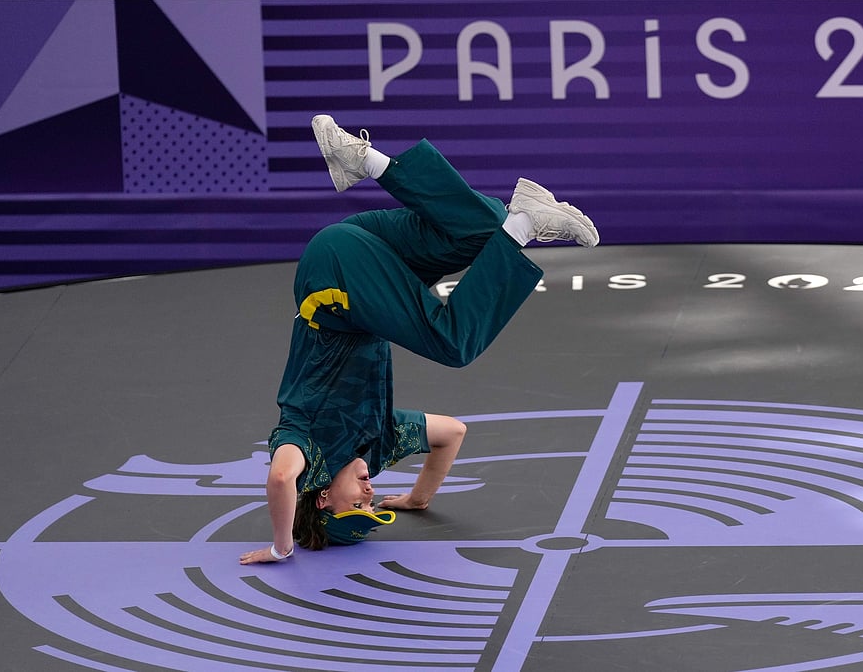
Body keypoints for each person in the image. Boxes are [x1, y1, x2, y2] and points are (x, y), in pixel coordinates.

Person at [239, 115, 598, 564]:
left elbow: (279, 480)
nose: (370, 493)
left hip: (333, 285)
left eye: (357, 503)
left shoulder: (306, 449)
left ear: (322, 498)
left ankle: (526, 227)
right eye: (373, 504)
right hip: (358, 259)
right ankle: (363, 160)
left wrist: (282, 545)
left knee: (453, 343)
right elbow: (452, 432)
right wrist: (417, 498)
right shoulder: (380, 442)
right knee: (484, 230)